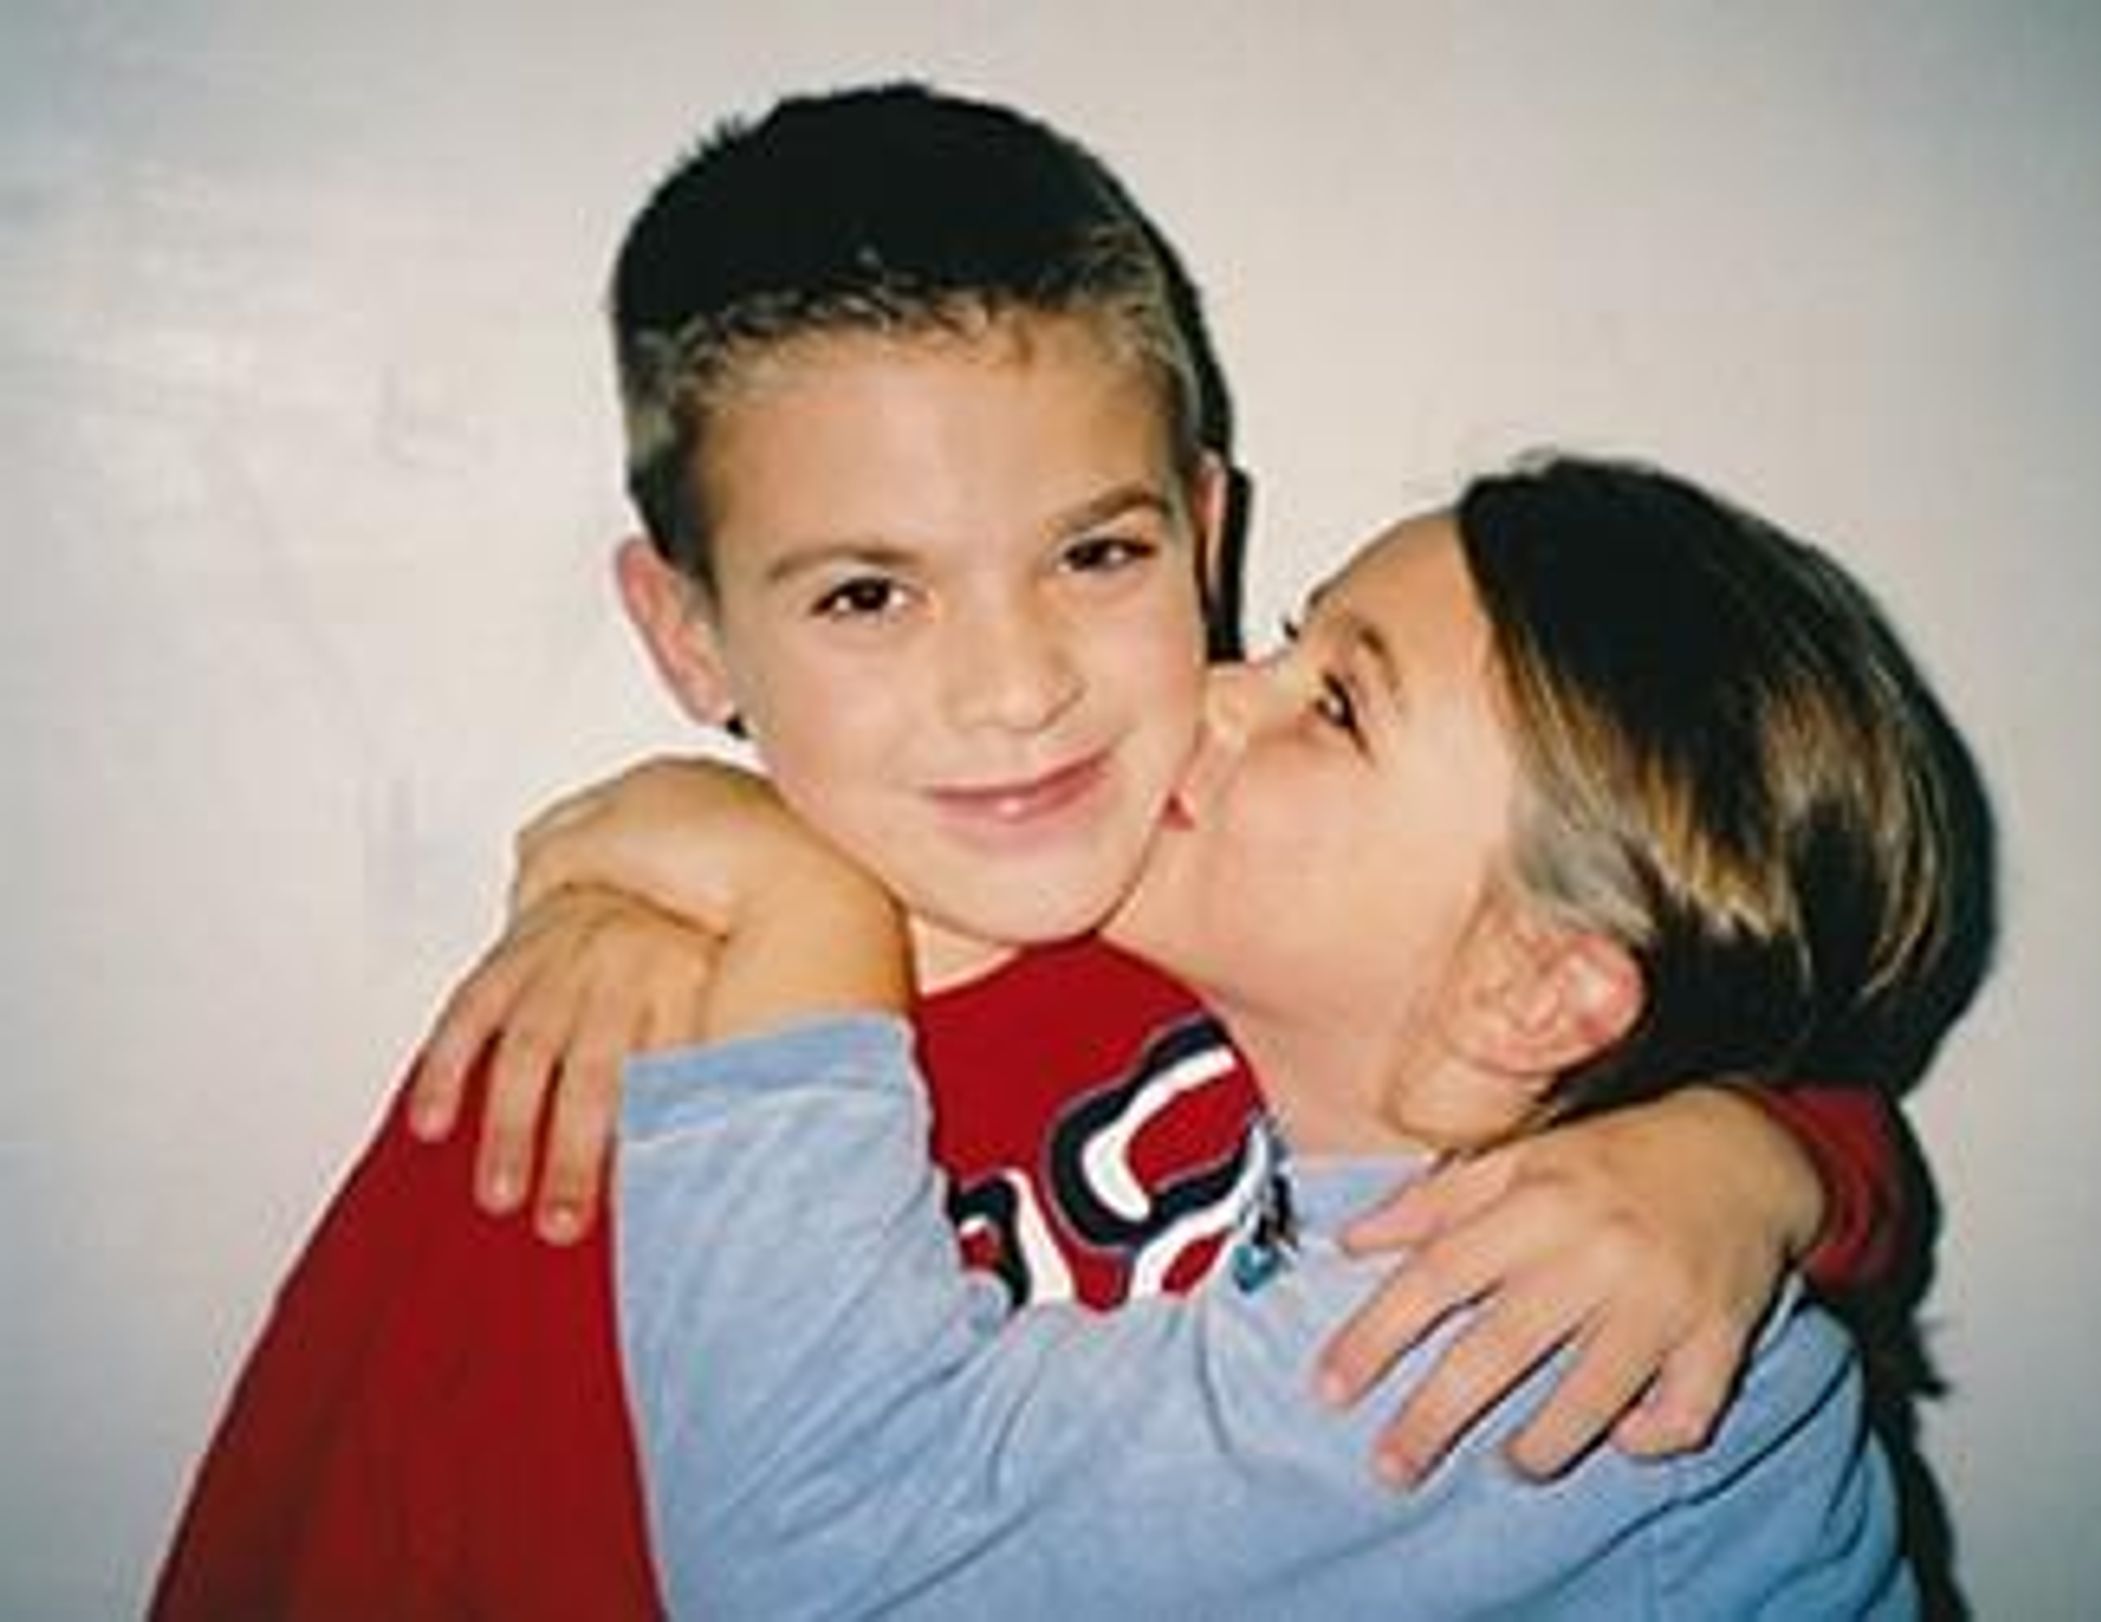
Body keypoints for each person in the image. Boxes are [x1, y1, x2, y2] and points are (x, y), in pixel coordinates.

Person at [153, 86, 1906, 1620]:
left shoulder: (1280, 1001)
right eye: (867, 591)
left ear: (1200, 532)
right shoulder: (595, 1062)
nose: (1015, 691)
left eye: (1095, 556)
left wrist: (1751, 1163)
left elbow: (1715, 1074)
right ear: (688, 635)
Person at [541, 454, 1988, 1616]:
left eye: (1337, 704)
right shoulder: (1311, 1155)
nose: (1220, 693)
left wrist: (792, 897)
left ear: (1534, 991)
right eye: (1293, 641)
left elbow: (818, 1555)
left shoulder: (1536, 1350)